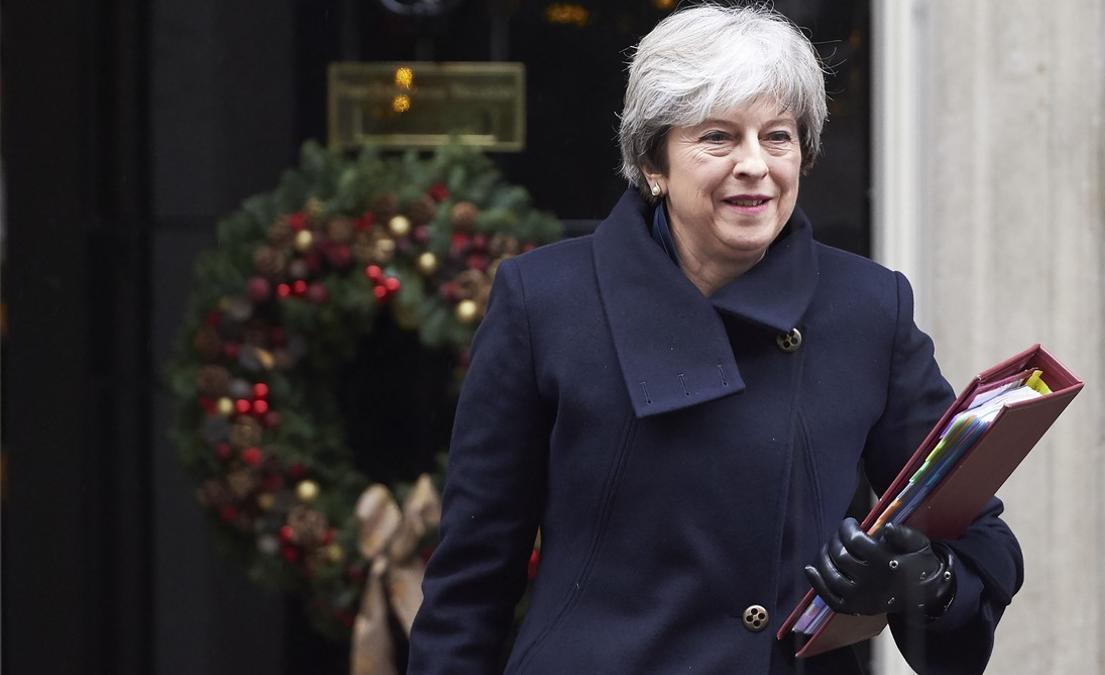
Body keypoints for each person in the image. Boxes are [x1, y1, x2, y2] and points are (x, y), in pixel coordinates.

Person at [408, 5, 1022, 674]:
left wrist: (922, 578)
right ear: (653, 163)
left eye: (778, 136)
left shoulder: (869, 307)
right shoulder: (546, 302)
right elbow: (470, 585)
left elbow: (977, 533)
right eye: (718, 138)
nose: (754, 165)